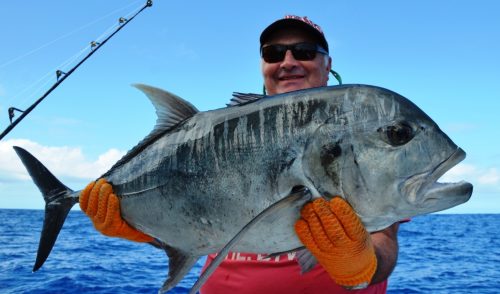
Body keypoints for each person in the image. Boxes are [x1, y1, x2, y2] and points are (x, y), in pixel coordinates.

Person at [80, 15, 400, 293]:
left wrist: (362, 266)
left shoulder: (363, 132)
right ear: (263, 67)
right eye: (274, 53)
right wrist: (136, 229)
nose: (288, 61)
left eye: (304, 51)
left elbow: (384, 242)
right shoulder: (213, 135)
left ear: (328, 65)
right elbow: (195, 229)